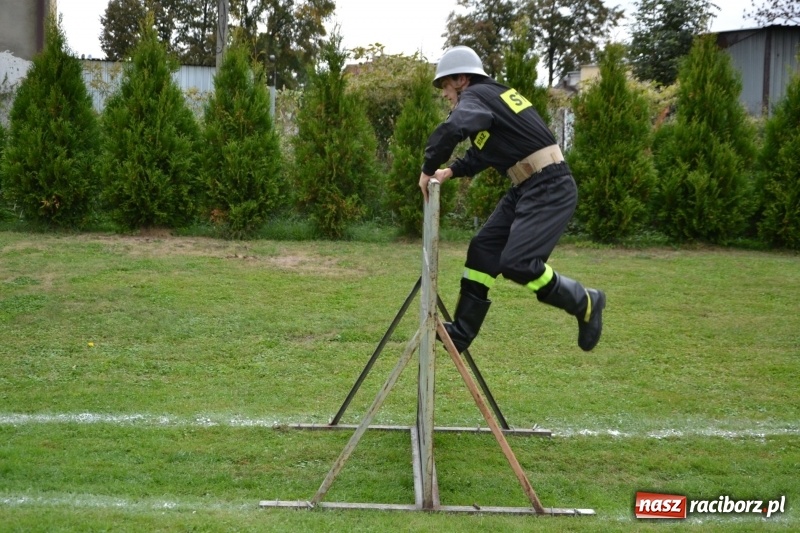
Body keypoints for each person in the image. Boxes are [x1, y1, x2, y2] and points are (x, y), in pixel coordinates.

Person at [418, 45, 605, 354]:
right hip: (527, 187)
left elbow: (453, 128)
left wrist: (426, 170)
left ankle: (585, 301)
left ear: (462, 79)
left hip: (550, 186)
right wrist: (450, 170)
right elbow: (482, 152)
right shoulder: (492, 100)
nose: (444, 94)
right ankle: (462, 332)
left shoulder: (477, 97)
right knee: (483, 249)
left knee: (518, 263)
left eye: (445, 86)